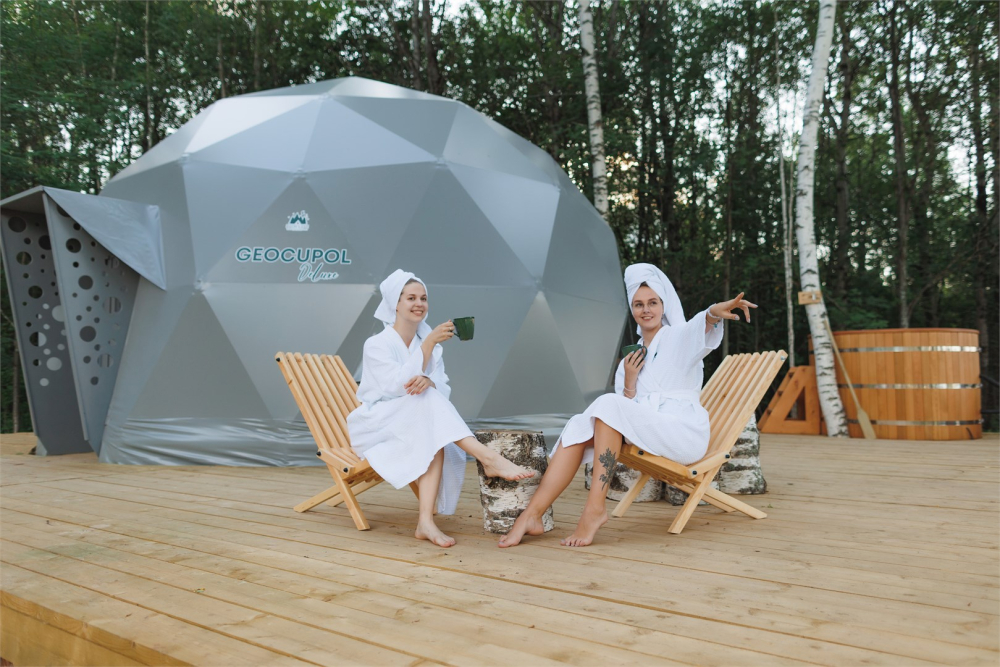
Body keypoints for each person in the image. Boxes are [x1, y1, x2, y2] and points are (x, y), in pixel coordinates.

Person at [498, 263, 756, 548]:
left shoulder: (678, 337)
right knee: (579, 424)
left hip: (682, 434)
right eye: (638, 304)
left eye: (653, 302)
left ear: (664, 305)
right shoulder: (629, 361)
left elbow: (702, 322)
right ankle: (532, 514)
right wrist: (630, 380)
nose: (646, 310)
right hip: (650, 433)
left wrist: (714, 311)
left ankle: (594, 509)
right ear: (632, 309)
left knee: (607, 404)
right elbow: (622, 416)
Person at [347, 269, 534, 548]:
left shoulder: (430, 346)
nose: (419, 303)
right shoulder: (377, 344)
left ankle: (425, 522)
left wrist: (430, 381)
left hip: (413, 419)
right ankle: (488, 458)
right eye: (411, 298)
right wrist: (428, 345)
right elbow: (395, 386)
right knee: (427, 406)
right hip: (378, 424)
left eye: (423, 298)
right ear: (395, 303)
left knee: (431, 419)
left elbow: (442, 389)